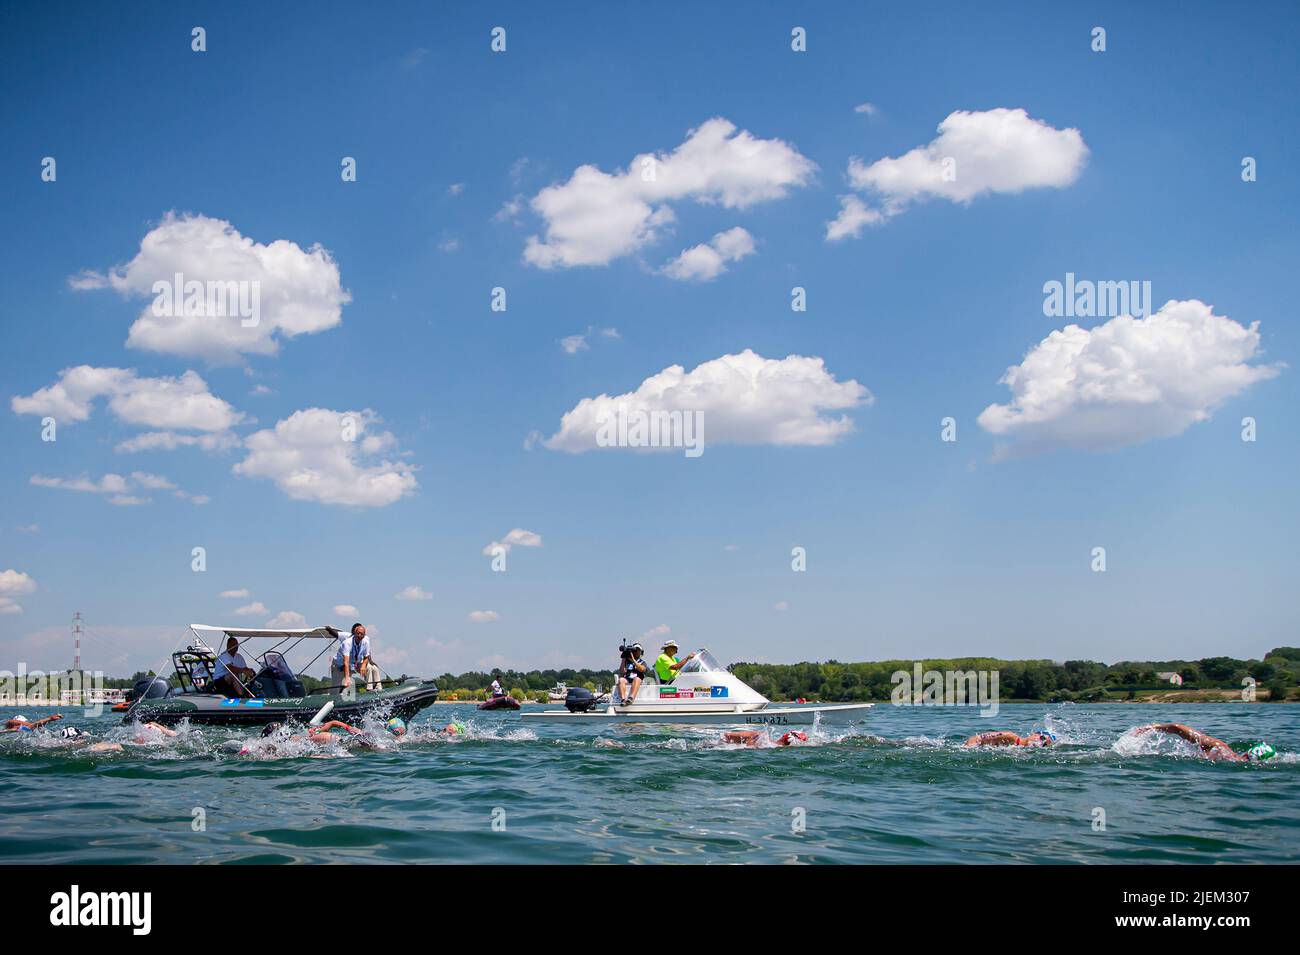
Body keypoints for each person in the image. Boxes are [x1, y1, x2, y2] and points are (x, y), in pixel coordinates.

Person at [1133, 723, 1276, 763]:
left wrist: (1152, 728)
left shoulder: (1220, 747)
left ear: (1248, 752)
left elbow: (1177, 727)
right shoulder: (1220, 750)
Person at [332, 623, 379, 691]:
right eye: (358, 633)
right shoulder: (347, 643)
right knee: (340, 687)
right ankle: (336, 697)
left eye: (362, 634)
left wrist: (363, 665)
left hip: (353, 663)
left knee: (370, 667)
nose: (359, 636)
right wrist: (347, 678)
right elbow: (346, 662)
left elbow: (366, 656)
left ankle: (371, 689)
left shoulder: (366, 641)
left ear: (364, 635)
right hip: (340, 664)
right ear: (354, 634)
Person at [962, 729, 1057, 748]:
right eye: (1041, 738)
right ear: (1034, 734)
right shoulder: (1010, 736)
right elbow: (976, 738)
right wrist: (967, 748)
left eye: (1043, 744)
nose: (1039, 742)